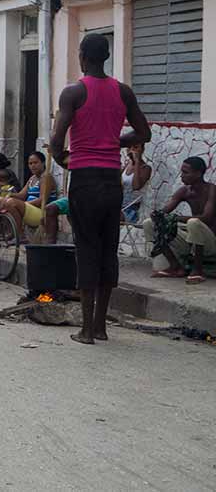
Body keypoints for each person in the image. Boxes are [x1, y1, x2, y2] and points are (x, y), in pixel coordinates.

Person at [51, 33, 150, 345]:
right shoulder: (123, 92)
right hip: (111, 182)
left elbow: (57, 140)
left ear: (82, 57)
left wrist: (62, 158)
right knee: (108, 250)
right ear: (106, 57)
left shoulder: (73, 92)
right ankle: (101, 327)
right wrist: (114, 141)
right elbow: (143, 132)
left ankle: (85, 330)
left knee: (86, 249)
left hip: (84, 179)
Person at [145, 157, 216, 284]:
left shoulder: (212, 190)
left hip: (210, 242)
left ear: (198, 174)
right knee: (149, 223)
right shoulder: (184, 191)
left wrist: (176, 218)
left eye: (185, 172)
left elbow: (206, 217)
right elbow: (165, 210)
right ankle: (175, 267)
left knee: (194, 222)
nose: (181, 176)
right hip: (192, 240)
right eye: (181, 172)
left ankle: (198, 270)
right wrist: (157, 215)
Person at [0, 152, 59, 232]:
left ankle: (20, 234)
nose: (32, 166)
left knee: (12, 203)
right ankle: (9, 232)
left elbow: (41, 200)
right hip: (30, 210)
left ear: (43, 163)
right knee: (2, 200)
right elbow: (21, 195)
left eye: (35, 163)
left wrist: (24, 204)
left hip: (41, 212)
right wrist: (7, 194)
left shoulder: (46, 177)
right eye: (30, 163)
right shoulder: (32, 179)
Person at [121, 144, 151, 223]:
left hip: (132, 209)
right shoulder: (127, 165)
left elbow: (136, 186)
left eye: (135, 147)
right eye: (129, 147)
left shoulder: (146, 168)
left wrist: (137, 161)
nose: (132, 150)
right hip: (120, 206)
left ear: (142, 149)